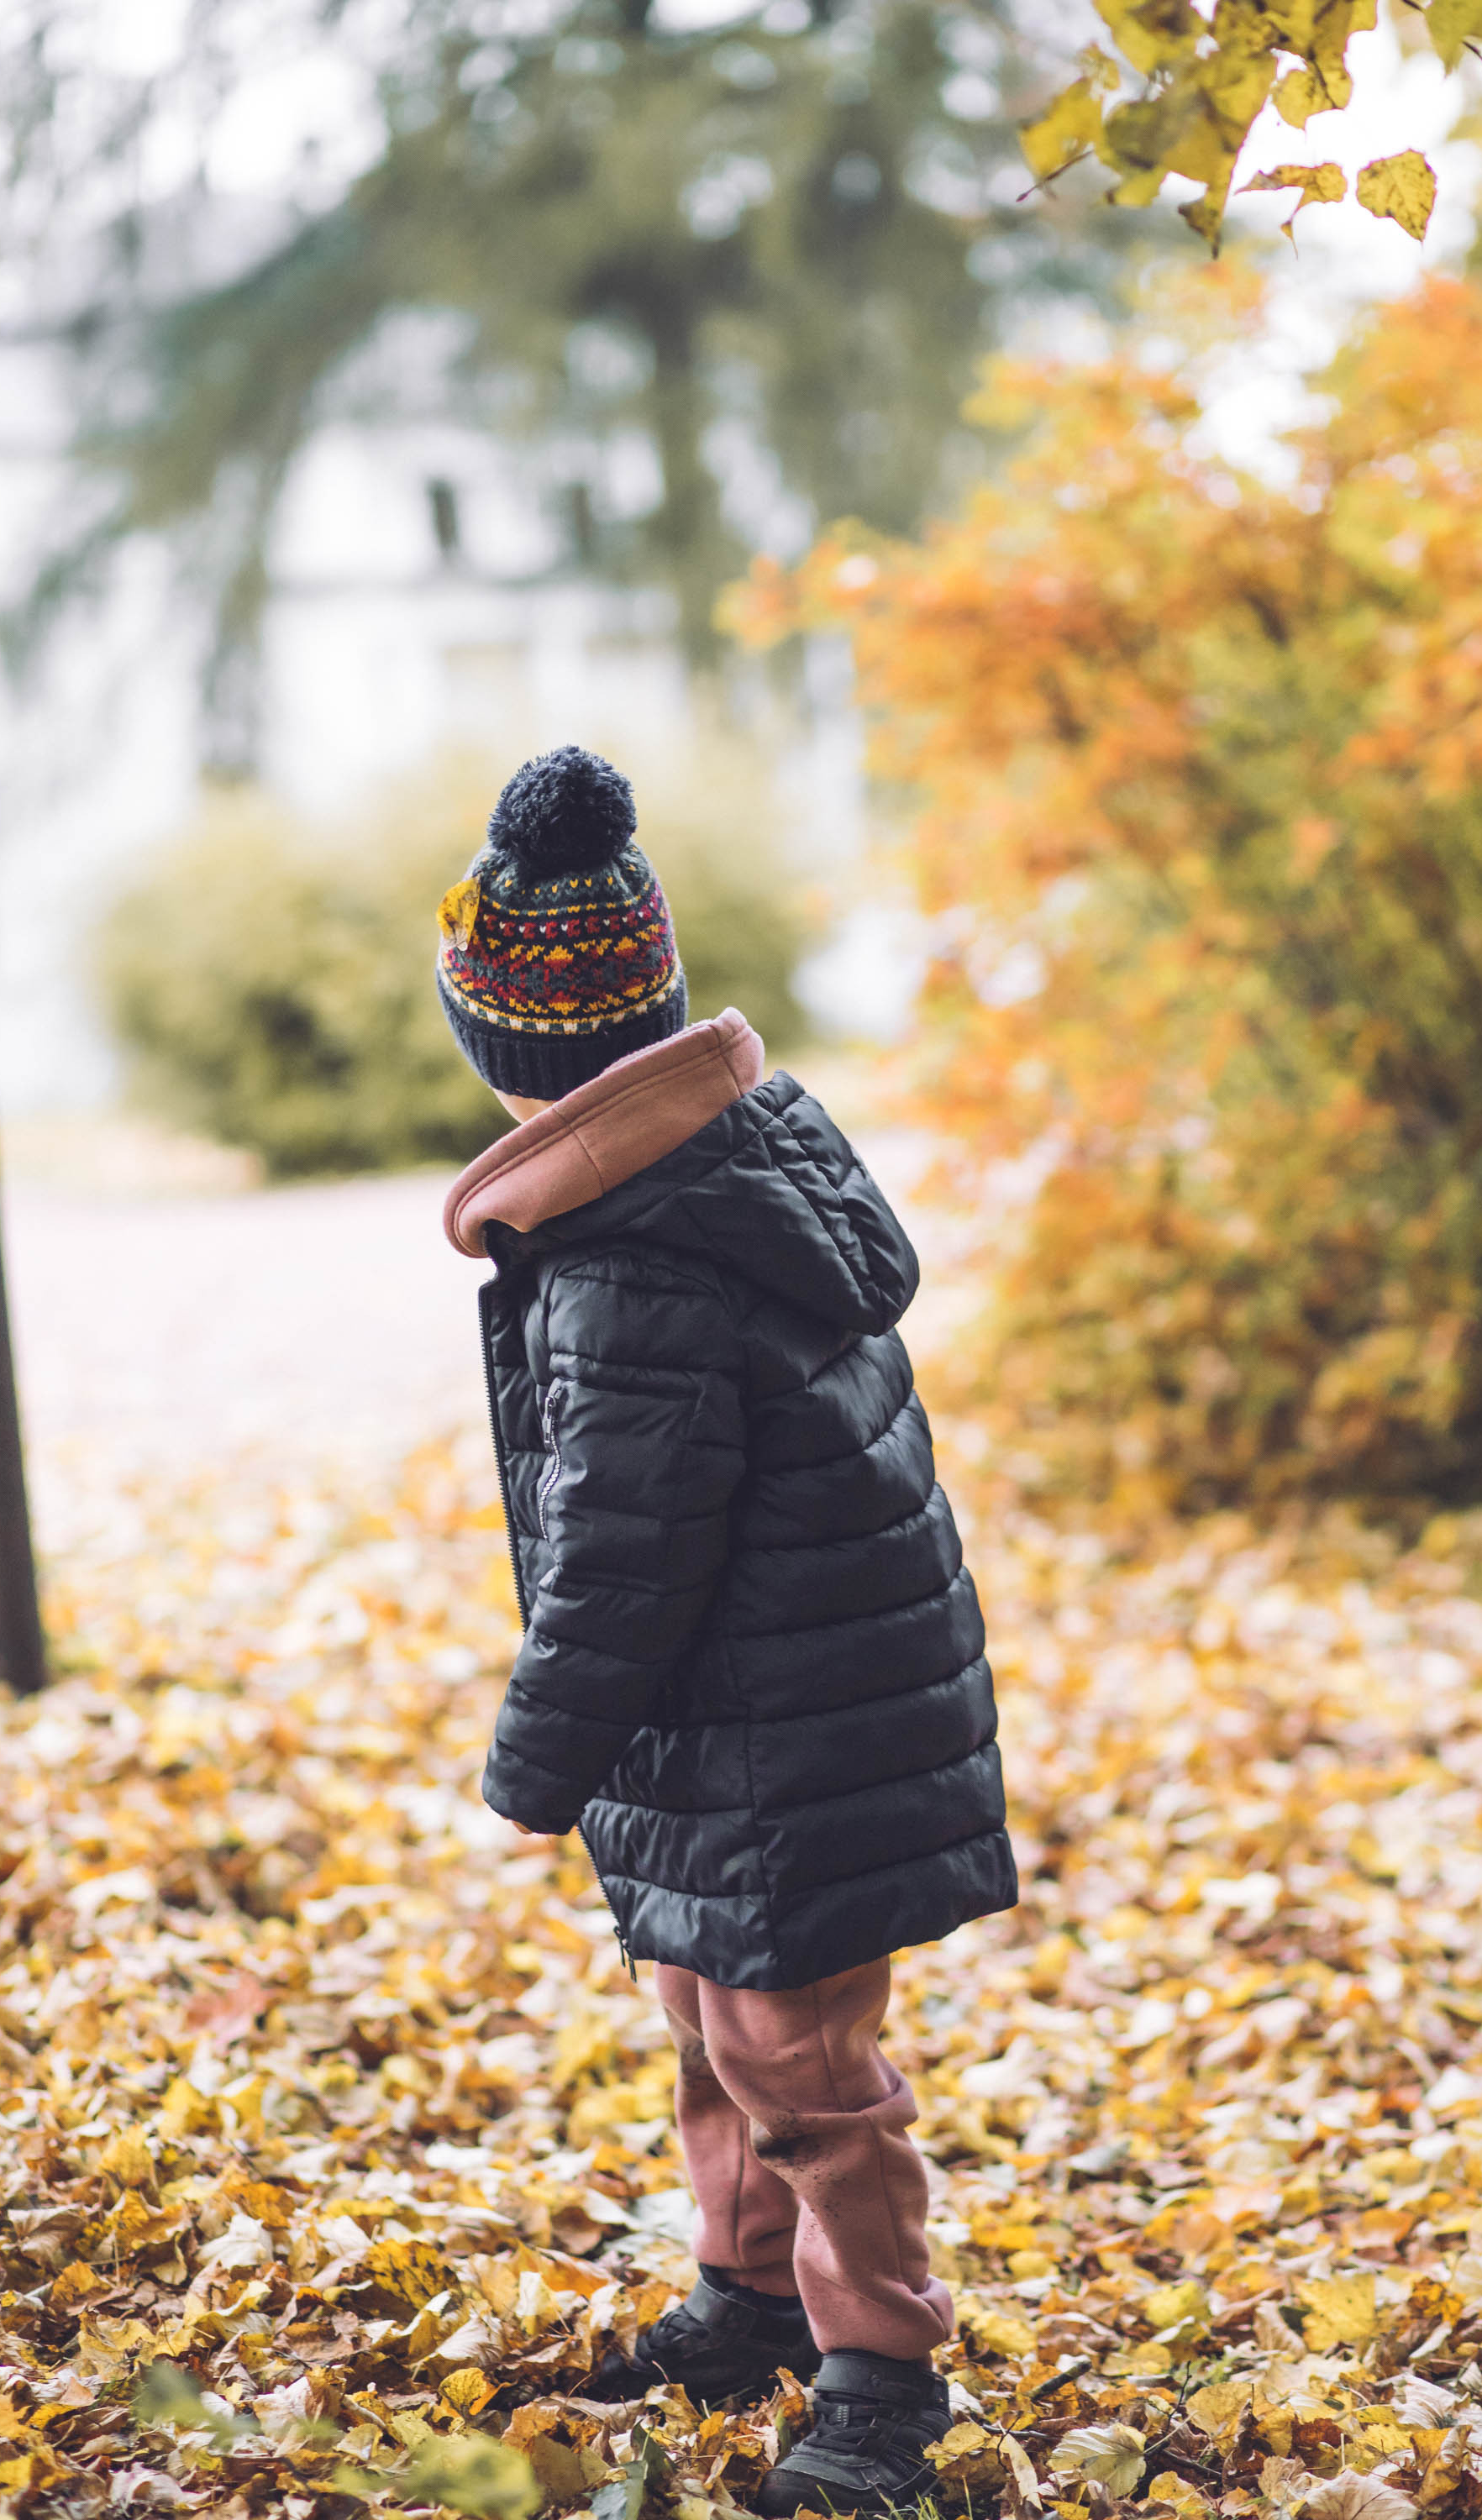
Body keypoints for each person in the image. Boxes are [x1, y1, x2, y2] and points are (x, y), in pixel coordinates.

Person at [437, 745, 1016, 2516]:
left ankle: (884, 2384)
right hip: (753, 1717)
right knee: (713, 2020)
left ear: (517, 1053)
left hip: (787, 1719)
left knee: (801, 2068)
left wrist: (540, 1754)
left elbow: (626, 1554)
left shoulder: (633, 1265)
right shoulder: (704, 1176)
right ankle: (751, 2297)